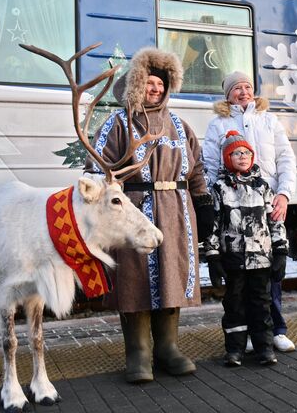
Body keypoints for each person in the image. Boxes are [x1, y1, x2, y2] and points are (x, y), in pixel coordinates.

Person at [84, 46, 213, 383]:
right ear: (138, 85)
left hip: (175, 211)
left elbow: (196, 169)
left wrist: (203, 202)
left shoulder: (180, 126)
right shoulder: (118, 123)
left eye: (161, 85)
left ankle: (168, 349)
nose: (156, 89)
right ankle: (138, 353)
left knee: (172, 275)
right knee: (134, 281)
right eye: (150, 84)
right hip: (133, 212)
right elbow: (97, 168)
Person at [203, 71, 297, 353]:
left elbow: (285, 157)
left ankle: (275, 330)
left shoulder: (269, 120)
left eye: (247, 87)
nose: (243, 92)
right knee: (238, 280)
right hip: (231, 206)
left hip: (265, 204)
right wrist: (213, 200)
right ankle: (242, 334)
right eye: (236, 88)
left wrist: (283, 194)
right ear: (228, 94)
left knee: (268, 271)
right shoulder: (218, 124)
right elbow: (208, 164)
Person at [205, 131, 288, 366]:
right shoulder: (220, 188)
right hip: (233, 259)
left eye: (247, 153)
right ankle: (235, 350)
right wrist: (213, 256)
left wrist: (281, 252)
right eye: (236, 153)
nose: (242, 156)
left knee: (261, 303)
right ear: (227, 158)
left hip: (261, 259)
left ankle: (264, 348)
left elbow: (275, 222)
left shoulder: (263, 187)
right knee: (234, 304)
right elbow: (213, 225)